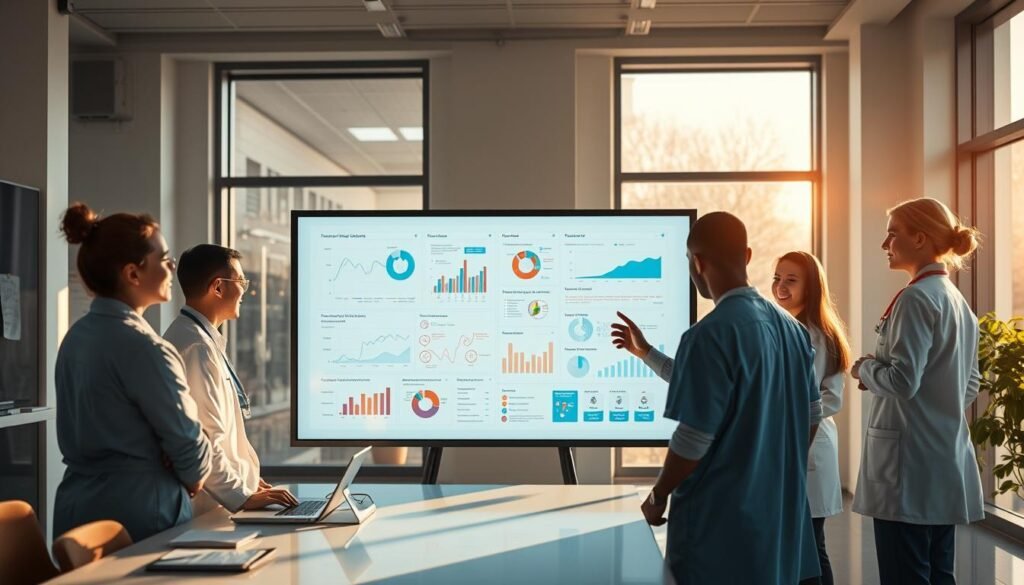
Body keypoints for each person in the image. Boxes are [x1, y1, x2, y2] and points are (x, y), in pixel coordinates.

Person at [611, 212, 821, 584]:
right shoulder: (792, 330)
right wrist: (646, 353)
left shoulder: (707, 335)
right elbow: (811, 414)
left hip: (721, 525)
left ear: (697, 262)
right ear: (748, 255)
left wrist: (658, 494)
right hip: (774, 517)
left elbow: (693, 439)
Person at [54, 203, 212, 542]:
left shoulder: (75, 338)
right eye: (165, 260)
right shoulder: (146, 349)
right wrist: (173, 461)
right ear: (133, 274)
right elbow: (194, 459)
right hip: (139, 519)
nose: (172, 269)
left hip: (75, 511)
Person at [851, 197, 983, 585]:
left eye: (892, 234)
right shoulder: (957, 301)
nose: (884, 244)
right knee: (938, 572)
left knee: (905, 574)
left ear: (920, 239)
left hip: (907, 469)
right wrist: (938, 409)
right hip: (942, 458)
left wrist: (865, 368)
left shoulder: (916, 298)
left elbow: (903, 381)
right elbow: (969, 383)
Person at [164, 244, 298, 514]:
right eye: (241, 281)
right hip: (214, 510)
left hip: (223, 503)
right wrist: (241, 496)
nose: (244, 291)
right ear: (218, 287)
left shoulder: (200, 340)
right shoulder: (196, 348)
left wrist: (248, 481)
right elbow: (206, 440)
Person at [772, 251, 851, 585]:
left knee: (810, 549)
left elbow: (830, 398)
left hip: (808, 448)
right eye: (777, 278)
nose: (780, 286)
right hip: (802, 445)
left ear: (812, 287)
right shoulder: (790, 327)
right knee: (806, 547)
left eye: (791, 280)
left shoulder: (810, 333)